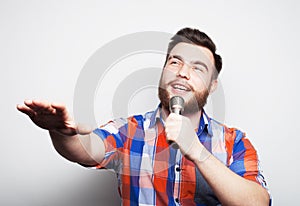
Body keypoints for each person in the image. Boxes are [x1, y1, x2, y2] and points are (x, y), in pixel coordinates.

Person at [17, 27, 270, 205]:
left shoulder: (234, 141)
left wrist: (196, 150)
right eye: (174, 62)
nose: (182, 72)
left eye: (197, 68)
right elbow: (86, 150)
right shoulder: (130, 131)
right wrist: (62, 132)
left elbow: (257, 203)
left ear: (212, 85)